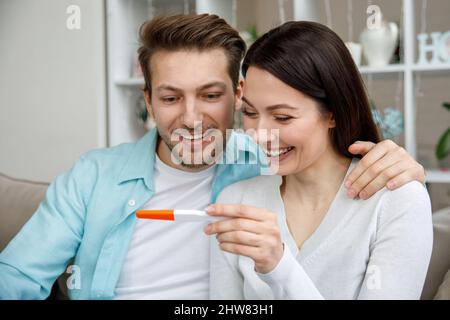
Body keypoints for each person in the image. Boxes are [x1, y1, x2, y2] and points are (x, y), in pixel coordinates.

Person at [0, 15, 426, 300]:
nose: (191, 118)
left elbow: (319, 151)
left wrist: (404, 171)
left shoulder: (265, 160)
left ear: (237, 94)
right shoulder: (94, 176)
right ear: (147, 99)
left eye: (210, 95)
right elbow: (17, 277)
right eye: (170, 97)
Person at [206, 21, 433, 300]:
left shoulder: (397, 201)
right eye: (251, 113)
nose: (259, 135)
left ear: (333, 113)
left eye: (283, 117)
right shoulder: (237, 201)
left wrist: (280, 268)